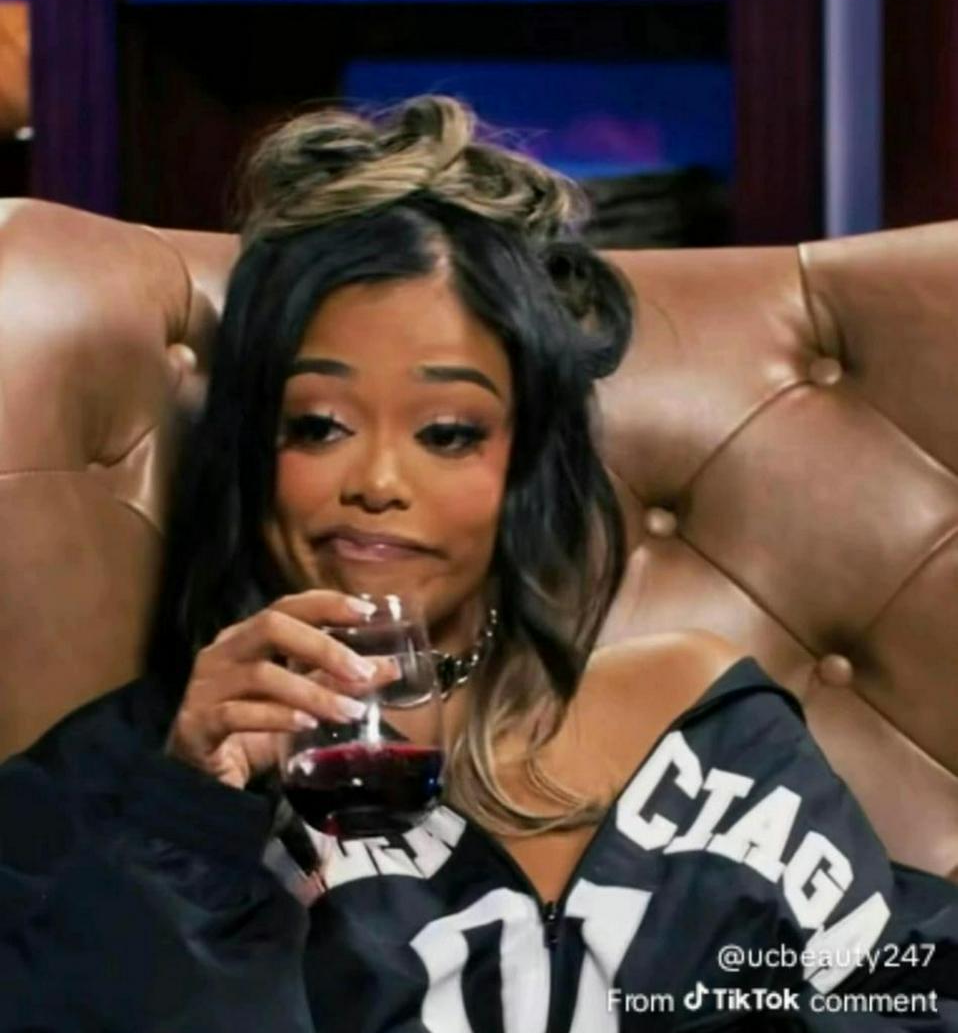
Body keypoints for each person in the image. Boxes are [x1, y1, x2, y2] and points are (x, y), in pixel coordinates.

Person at [1, 95, 956, 1033]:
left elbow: (896, 997)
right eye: (319, 425)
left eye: (449, 433)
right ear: (253, 447)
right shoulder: (120, 779)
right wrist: (188, 819)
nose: (377, 482)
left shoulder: (700, 721)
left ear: (526, 463)